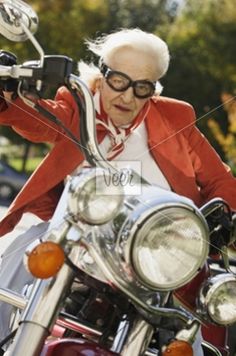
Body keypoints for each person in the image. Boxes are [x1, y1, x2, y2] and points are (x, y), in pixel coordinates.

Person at [0, 28, 235, 354]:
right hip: (75, 238)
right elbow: (42, 121)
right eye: (118, 81)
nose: (127, 96)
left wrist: (227, 213)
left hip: (154, 252)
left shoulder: (174, 117)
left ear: (153, 89)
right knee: (13, 267)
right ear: (103, 73)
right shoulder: (80, 104)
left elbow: (219, 180)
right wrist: (9, 99)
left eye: (141, 88)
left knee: (187, 338)